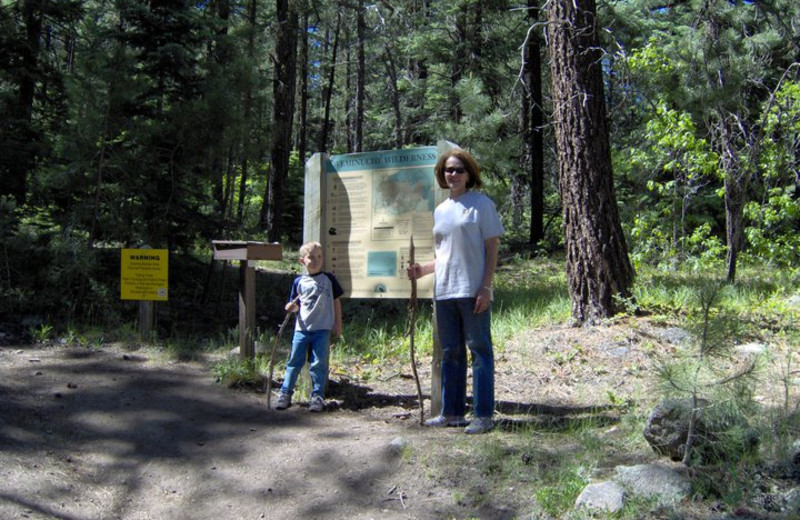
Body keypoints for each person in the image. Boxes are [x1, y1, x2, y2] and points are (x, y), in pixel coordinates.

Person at [407, 148, 504, 434]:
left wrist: (486, 287)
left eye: (459, 170)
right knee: (450, 352)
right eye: (449, 170)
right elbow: (447, 254)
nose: (453, 174)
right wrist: (423, 269)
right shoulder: (441, 210)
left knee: (480, 350)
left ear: (469, 173)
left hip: (472, 290)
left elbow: (491, 247)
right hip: (445, 291)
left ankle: (483, 416)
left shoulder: (481, 204)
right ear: (442, 174)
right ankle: (452, 413)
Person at [275, 241, 344, 412]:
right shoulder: (299, 281)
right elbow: (295, 304)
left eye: (319, 257)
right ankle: (285, 393)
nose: (316, 260)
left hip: (322, 329)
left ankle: (317, 396)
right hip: (302, 329)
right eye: (311, 257)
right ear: (302, 261)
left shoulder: (329, 279)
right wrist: (290, 307)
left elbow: (336, 302)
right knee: (294, 361)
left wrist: (338, 323)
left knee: (319, 363)